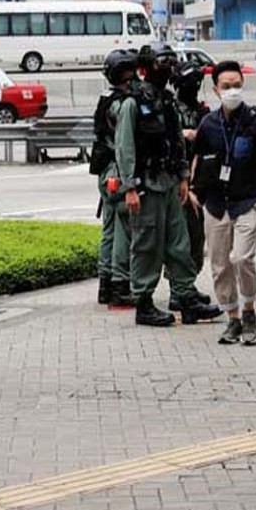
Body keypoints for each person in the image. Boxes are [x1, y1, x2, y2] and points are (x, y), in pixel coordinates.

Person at [115, 42, 222, 327]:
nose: (166, 70)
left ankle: (186, 298)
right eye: (160, 64)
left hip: (170, 183)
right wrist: (129, 188)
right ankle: (144, 303)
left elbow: (176, 141)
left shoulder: (167, 101)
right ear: (145, 69)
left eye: (169, 65)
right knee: (147, 246)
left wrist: (184, 176)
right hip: (145, 187)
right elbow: (124, 148)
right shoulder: (132, 104)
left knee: (180, 243)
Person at [195, 61, 256, 346]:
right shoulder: (208, 124)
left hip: (248, 201)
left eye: (237, 85)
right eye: (226, 86)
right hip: (216, 204)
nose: (232, 90)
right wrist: (194, 189)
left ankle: (249, 311)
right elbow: (198, 158)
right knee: (220, 265)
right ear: (216, 90)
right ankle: (232, 318)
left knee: (241, 258)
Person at [93, 49, 138, 307]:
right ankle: (120, 285)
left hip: (105, 172)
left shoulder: (106, 98)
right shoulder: (122, 104)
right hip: (116, 171)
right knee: (123, 228)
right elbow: (123, 145)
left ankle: (105, 283)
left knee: (109, 229)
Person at [167, 60, 212, 311]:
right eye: (189, 83)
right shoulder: (172, 109)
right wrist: (184, 134)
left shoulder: (202, 110)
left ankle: (188, 284)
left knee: (196, 237)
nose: (193, 88)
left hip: (199, 179)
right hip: (178, 181)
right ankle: (178, 289)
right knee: (180, 238)